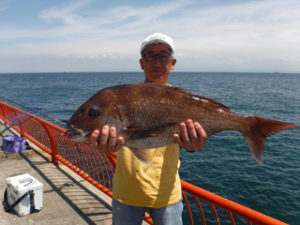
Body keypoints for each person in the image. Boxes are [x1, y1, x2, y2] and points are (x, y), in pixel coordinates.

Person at [89, 33, 207, 225]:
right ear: (142, 63)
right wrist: (102, 147)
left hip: (166, 196)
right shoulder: (123, 99)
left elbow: (188, 142)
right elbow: (114, 140)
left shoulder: (184, 101)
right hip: (125, 194)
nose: (157, 61)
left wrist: (193, 146)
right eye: (150, 55)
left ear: (173, 62)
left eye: (163, 55)